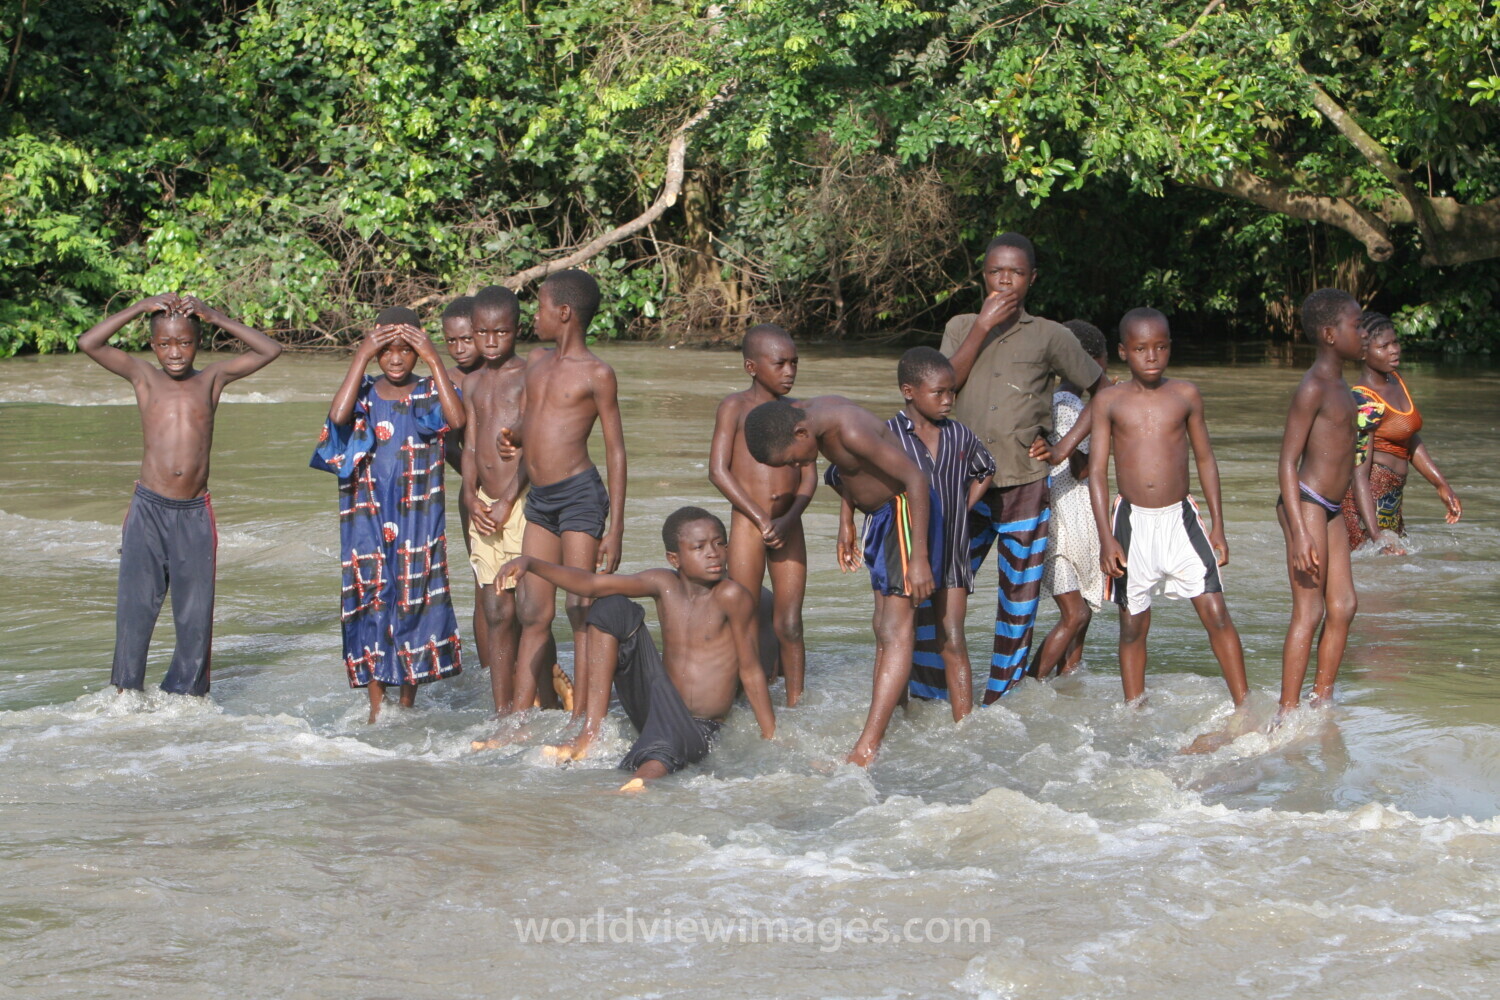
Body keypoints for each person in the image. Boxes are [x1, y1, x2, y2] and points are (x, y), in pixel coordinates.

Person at [79, 293, 283, 696]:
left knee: (195, 613)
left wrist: (214, 314)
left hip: (194, 513)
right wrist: (140, 308)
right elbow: (90, 343)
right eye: (166, 344)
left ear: (197, 343)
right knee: (136, 606)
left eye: (185, 342)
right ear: (153, 346)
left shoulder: (211, 379)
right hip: (149, 509)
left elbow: (270, 349)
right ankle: (126, 691)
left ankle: (185, 695)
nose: (176, 352)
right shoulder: (143, 376)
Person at [939, 233, 1106, 702]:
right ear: (983, 276)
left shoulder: (1050, 334)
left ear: (1032, 278)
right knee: (945, 591)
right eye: (996, 271)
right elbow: (944, 384)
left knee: (1018, 605)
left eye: (1015, 272)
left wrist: (1065, 448)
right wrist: (981, 328)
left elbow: (1104, 390)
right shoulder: (960, 325)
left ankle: (1001, 700)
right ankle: (932, 694)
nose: (1005, 280)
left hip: (1025, 486)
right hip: (962, 483)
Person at [499, 507, 775, 790]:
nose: (713, 553)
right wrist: (532, 564)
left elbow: (750, 670)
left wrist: (771, 737)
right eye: (699, 547)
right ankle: (590, 734)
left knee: (663, 750)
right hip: (655, 708)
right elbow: (593, 584)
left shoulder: (731, 595)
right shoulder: (664, 583)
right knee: (610, 607)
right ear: (674, 558)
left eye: (719, 543)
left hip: (699, 726)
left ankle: (640, 782)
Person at [744, 396, 934, 766]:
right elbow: (850, 470)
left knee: (895, 630)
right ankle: (896, 719)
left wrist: (920, 556)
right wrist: (846, 518)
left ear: (801, 432)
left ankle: (867, 747)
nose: (799, 465)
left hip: (903, 514)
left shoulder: (849, 429)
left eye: (796, 459)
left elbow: (915, 478)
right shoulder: (808, 417)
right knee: (882, 626)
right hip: (879, 517)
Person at [311, 306, 466, 722]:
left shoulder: (430, 390)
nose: (396, 359)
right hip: (366, 516)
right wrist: (360, 356)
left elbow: (457, 419)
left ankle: (407, 703)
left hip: (419, 515)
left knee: (414, 598)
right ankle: (377, 707)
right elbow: (338, 417)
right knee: (371, 598)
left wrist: (435, 359)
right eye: (386, 350)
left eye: (407, 350)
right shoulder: (362, 390)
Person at [1088, 308, 1249, 708]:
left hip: (1181, 519)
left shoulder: (1185, 395)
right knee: (1132, 625)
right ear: (1124, 352)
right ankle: (1134, 711)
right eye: (1141, 348)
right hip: (1131, 522)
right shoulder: (1109, 400)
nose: (1152, 356)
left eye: (1160, 347)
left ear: (1170, 348)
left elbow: (1206, 459)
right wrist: (1106, 539)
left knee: (1215, 612)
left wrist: (1218, 527)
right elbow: (1095, 473)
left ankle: (1245, 706)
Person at [501, 269, 627, 722]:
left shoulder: (597, 374)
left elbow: (615, 451)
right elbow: (533, 418)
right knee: (532, 610)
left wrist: (616, 528)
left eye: (540, 308)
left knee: (579, 607)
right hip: (540, 500)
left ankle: (586, 719)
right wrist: (514, 436)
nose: (533, 318)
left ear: (565, 313)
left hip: (579, 497)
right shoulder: (536, 361)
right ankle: (517, 719)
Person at [851, 347, 994, 721]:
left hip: (951, 550)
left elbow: (986, 469)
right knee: (894, 636)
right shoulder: (886, 434)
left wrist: (962, 508)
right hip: (903, 549)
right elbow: (849, 478)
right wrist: (845, 526)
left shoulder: (960, 434)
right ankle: (894, 717)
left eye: (952, 392)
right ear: (909, 391)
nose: (948, 400)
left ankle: (965, 724)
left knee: (953, 636)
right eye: (938, 393)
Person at [708, 324, 815, 706]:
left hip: (790, 525)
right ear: (752, 366)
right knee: (744, 614)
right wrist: (758, 516)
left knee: (790, 623)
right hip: (748, 525)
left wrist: (788, 518)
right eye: (780, 363)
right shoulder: (734, 407)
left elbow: (809, 473)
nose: (789, 371)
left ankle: (795, 702)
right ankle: (740, 697)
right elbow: (718, 470)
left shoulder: (798, 411)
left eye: (794, 363)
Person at [1277, 289, 1367, 715]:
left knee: (1345, 605)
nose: (1364, 333)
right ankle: (1287, 712)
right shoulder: (1313, 387)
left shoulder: (1342, 386)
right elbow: (1286, 462)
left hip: (1329, 507)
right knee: (1309, 612)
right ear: (1330, 334)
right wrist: (1297, 532)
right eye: (1357, 325)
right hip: (1306, 502)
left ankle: (1322, 701)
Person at [459, 286, 531, 717]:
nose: (489, 341)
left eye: (500, 332)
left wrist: (508, 498)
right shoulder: (472, 382)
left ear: (516, 330)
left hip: (518, 502)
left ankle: (534, 696)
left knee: (528, 607)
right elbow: (469, 446)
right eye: (482, 332)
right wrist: (470, 495)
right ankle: (502, 710)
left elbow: (534, 448)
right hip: (483, 504)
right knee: (494, 607)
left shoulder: (527, 377)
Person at [1341, 311, 1462, 553]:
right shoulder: (1364, 400)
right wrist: (1375, 536)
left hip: (1391, 499)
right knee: (1372, 577)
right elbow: (1359, 474)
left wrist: (1441, 485)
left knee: (1395, 578)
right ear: (1363, 352)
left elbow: (1409, 438)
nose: (1394, 350)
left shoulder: (1395, 379)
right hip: (1366, 503)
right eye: (1384, 346)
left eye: (1395, 342)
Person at [1029, 320, 1111, 680]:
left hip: (1071, 518)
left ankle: (1069, 682)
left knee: (1082, 613)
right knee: (1076, 613)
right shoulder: (1067, 405)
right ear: (1092, 361)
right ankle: (1030, 684)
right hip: (1066, 520)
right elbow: (1080, 469)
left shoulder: (1063, 401)